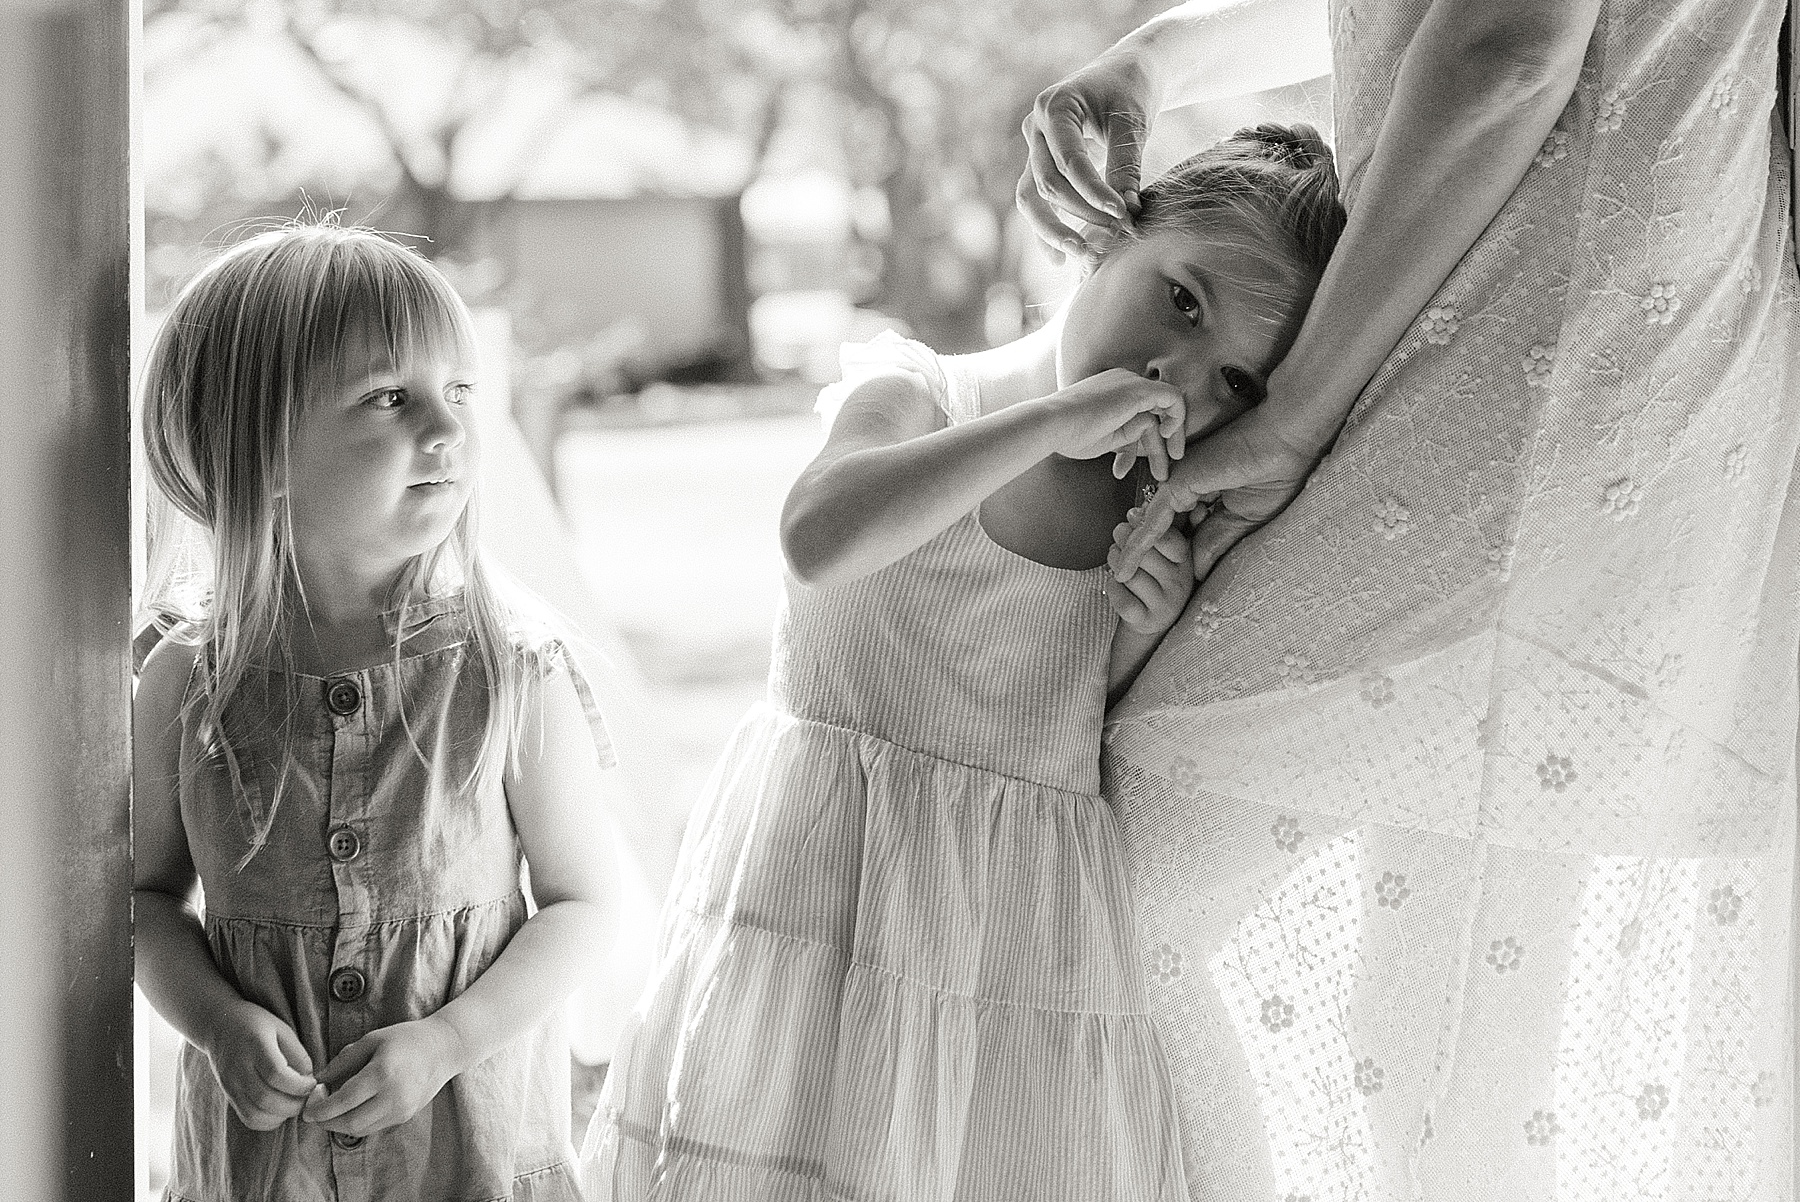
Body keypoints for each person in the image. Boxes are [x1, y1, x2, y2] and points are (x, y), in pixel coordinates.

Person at [1023, 2, 1800, 1199]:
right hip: (1640, 373)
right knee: (1444, 1013)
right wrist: (1162, 54)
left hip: (1520, 370)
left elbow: (1508, 47)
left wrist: (1290, 413)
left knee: (1097, 892)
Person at [579, 125, 1345, 1201]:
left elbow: (1077, 730)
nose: (1176, 371)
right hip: (817, 911)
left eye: (1234, 381)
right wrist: (1055, 419)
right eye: (1182, 297)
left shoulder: (1155, 523)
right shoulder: (917, 394)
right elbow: (821, 535)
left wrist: (1141, 625)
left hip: (1009, 953)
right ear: (1120, 226)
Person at [132, 224, 620, 1202]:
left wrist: (448, 1039)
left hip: (464, 1158)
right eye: (392, 398)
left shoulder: (508, 667)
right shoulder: (189, 679)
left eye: (461, 391)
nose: (448, 429)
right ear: (259, 444)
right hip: (269, 1169)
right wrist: (218, 1019)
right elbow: (144, 905)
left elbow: (586, 908)